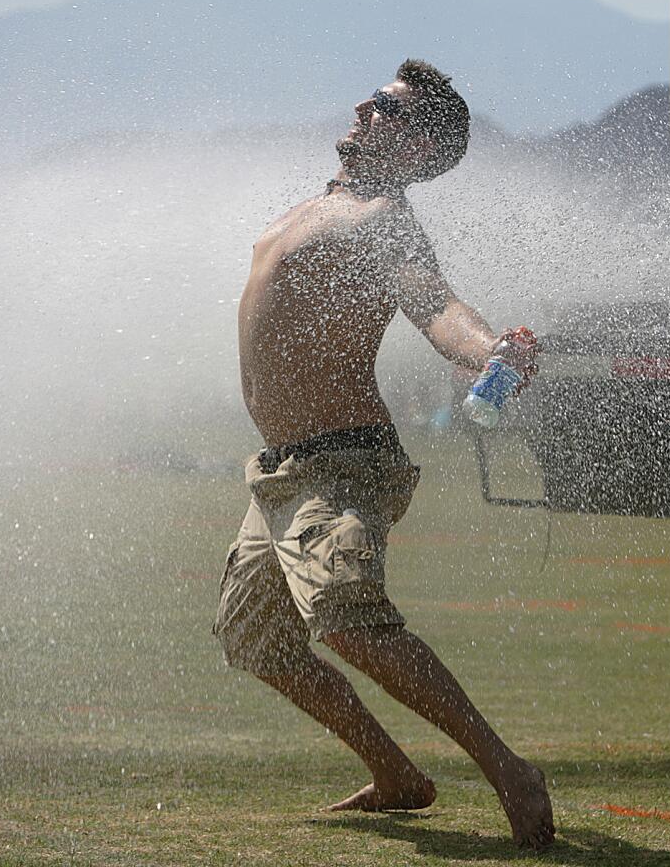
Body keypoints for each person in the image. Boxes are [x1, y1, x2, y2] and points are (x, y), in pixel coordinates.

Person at [215, 59, 554, 850]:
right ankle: (397, 776)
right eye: (371, 98)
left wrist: (488, 350)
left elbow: (435, 306)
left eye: (388, 107)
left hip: (342, 463)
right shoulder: (315, 209)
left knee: (348, 621)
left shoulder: (383, 222)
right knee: (255, 640)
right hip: (281, 473)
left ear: (417, 145)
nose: (365, 106)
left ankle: (508, 769)